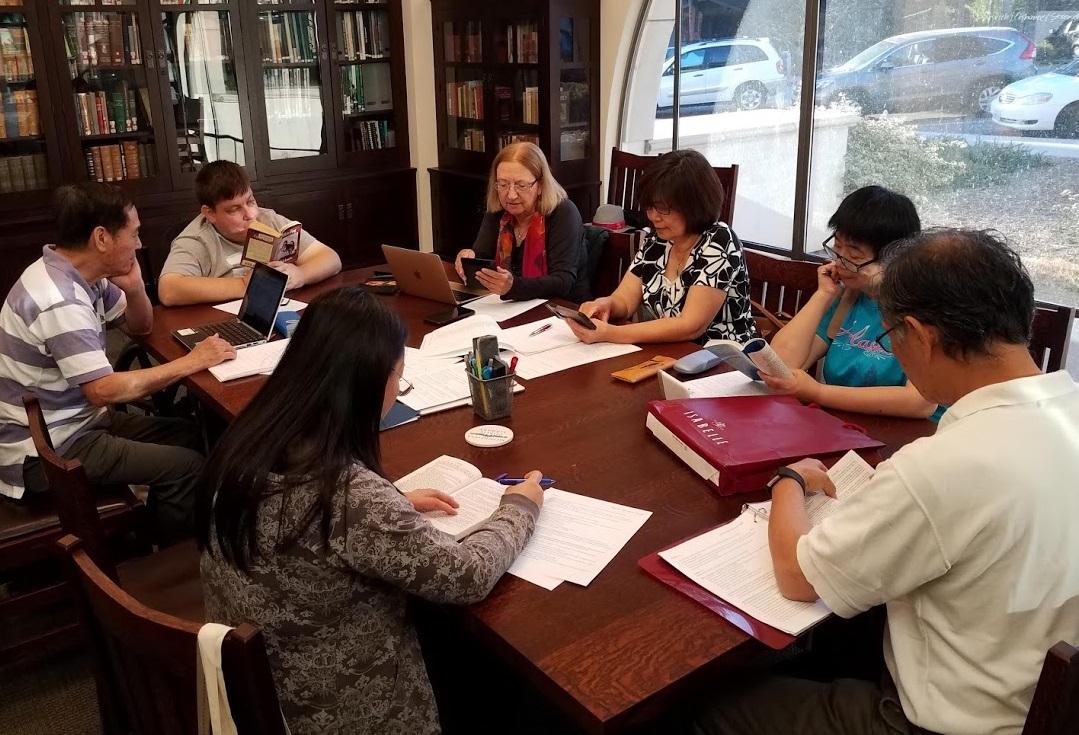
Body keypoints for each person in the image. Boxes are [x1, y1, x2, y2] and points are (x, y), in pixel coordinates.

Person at [693, 229, 1079, 735]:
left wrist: (790, 480)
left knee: (708, 708)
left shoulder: (947, 464)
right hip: (1037, 696)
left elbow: (798, 576)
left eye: (890, 337)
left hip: (941, 724)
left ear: (919, 336)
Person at [198, 286, 544, 735]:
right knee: (499, 675)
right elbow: (468, 574)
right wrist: (520, 506)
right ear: (366, 382)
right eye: (397, 376)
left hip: (261, 682)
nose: (398, 389)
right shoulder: (345, 495)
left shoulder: (249, 440)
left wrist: (394, 503)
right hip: (339, 708)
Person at [0, 183, 234, 542]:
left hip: (75, 423)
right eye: (134, 233)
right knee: (186, 466)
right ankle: (165, 557)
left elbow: (140, 326)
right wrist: (193, 361)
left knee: (189, 434)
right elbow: (102, 390)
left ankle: (169, 524)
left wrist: (136, 286)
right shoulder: (58, 298)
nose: (139, 244)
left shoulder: (79, 276)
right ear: (101, 238)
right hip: (46, 452)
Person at [764, 186, 938, 419]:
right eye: (837, 248)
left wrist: (818, 392)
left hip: (909, 436)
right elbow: (780, 366)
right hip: (844, 427)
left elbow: (919, 403)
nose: (840, 262)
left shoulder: (924, 309)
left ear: (894, 258)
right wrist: (823, 295)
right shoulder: (849, 296)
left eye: (854, 255)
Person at [568, 149, 756, 345]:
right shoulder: (658, 240)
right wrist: (605, 305)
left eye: (664, 208)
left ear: (694, 205)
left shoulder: (719, 240)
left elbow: (690, 326)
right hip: (673, 356)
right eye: (650, 207)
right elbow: (625, 300)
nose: (653, 217)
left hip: (725, 363)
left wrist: (610, 333)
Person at [158, 161, 341, 306]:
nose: (250, 214)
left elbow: (331, 259)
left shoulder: (267, 219)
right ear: (209, 213)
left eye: (250, 201)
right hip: (224, 323)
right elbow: (168, 290)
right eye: (234, 209)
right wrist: (246, 285)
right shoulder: (196, 239)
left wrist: (301, 274)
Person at [454, 142, 589, 303]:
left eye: (521, 185)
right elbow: (482, 257)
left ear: (540, 185)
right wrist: (469, 257)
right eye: (503, 184)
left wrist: (513, 287)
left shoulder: (563, 212)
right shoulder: (498, 211)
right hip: (510, 306)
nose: (510, 195)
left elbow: (562, 282)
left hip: (562, 308)